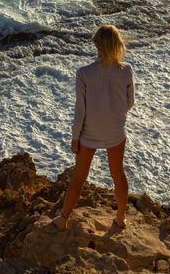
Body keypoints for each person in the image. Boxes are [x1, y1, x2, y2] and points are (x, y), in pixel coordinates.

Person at [53, 24, 135, 231]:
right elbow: (130, 101)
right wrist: (116, 116)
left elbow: (80, 110)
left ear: (97, 46)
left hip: (89, 132)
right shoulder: (126, 70)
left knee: (79, 177)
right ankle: (120, 218)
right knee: (118, 174)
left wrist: (75, 136)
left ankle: (63, 219)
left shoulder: (84, 73)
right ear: (117, 45)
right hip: (115, 131)